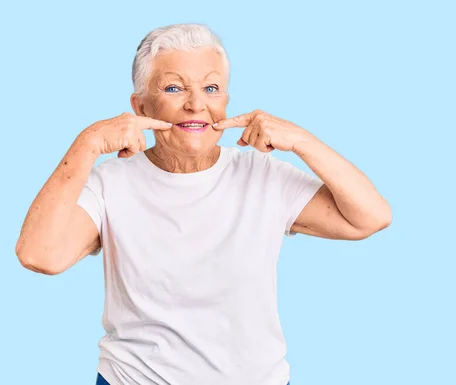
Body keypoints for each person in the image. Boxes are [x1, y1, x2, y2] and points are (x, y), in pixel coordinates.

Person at [15, 23, 392, 385]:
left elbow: (370, 218)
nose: (196, 105)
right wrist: (89, 142)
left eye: (212, 88)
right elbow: (40, 255)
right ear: (140, 104)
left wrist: (301, 140)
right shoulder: (111, 184)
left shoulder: (262, 175)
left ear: (227, 100)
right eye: (174, 88)